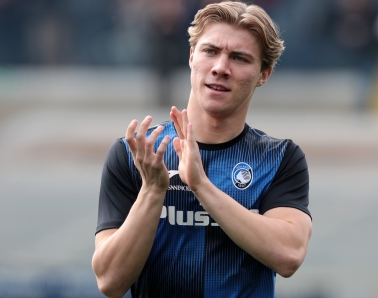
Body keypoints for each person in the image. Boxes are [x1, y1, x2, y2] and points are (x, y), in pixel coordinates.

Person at [92, 2, 312, 297]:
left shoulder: (280, 158)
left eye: (239, 58)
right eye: (211, 51)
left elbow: (288, 255)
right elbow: (109, 281)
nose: (221, 68)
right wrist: (153, 191)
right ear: (192, 56)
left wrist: (201, 186)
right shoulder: (136, 154)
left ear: (264, 74)